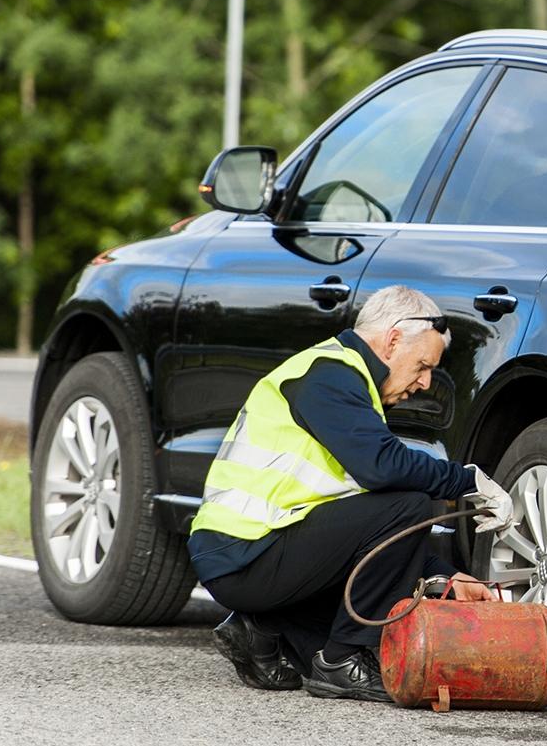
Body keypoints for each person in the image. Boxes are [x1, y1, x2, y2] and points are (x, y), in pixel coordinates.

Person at [187, 284, 514, 701]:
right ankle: (344, 660)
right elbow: (383, 470)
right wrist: (467, 482)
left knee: (341, 630)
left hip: (255, 553)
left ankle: (262, 628)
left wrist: (447, 576)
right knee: (411, 503)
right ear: (393, 339)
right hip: (247, 555)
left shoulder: (342, 382)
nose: (425, 382)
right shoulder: (329, 376)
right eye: (422, 365)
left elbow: (368, 533)